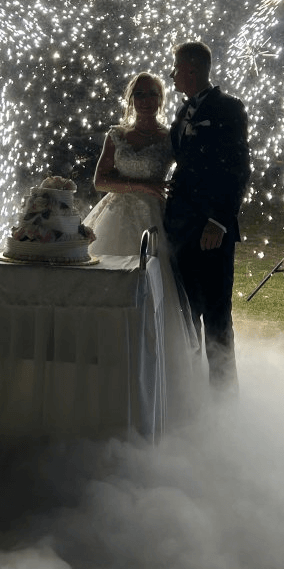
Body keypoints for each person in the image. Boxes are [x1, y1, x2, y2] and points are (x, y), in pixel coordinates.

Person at [84, 71, 200, 417]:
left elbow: (190, 174)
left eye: (152, 94)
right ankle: (107, 360)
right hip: (116, 214)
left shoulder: (170, 137)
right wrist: (141, 186)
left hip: (153, 220)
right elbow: (100, 181)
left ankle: (156, 367)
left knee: (154, 287)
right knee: (106, 283)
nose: (146, 101)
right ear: (131, 99)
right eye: (140, 94)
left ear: (161, 99)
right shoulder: (116, 135)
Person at [164, 41, 250, 391]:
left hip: (211, 230)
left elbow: (238, 168)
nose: (172, 75)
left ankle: (224, 401)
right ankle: (193, 396)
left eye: (175, 68)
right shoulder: (183, 112)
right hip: (179, 230)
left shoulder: (228, 108)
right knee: (186, 317)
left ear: (191, 69)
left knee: (216, 317)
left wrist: (219, 220)